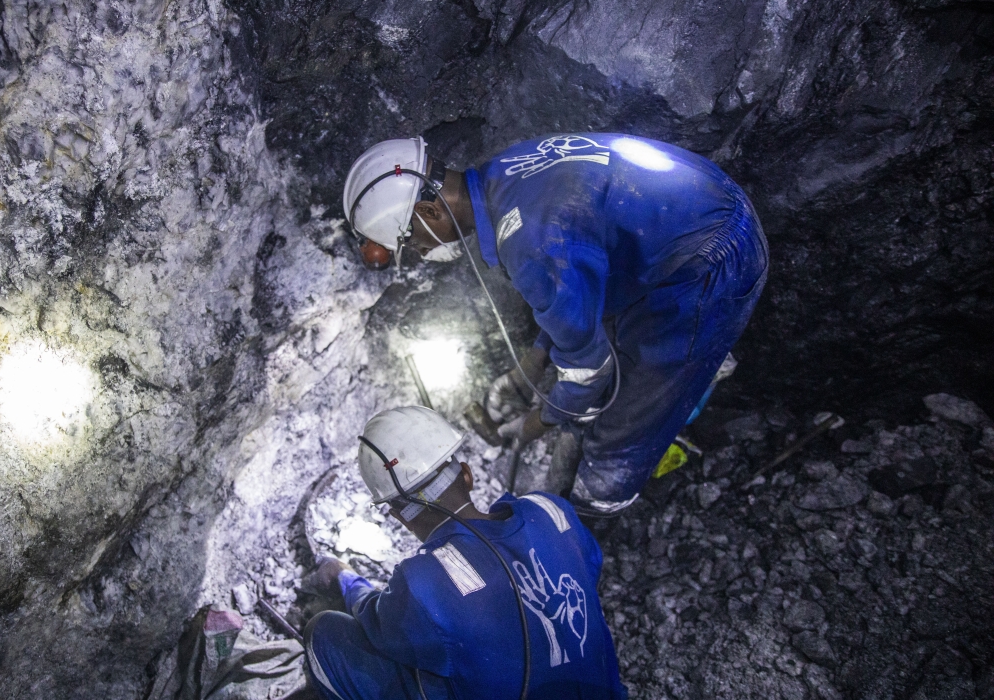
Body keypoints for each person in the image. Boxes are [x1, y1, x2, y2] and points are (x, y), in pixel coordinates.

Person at [342, 134, 768, 514]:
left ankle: (598, 504)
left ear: (430, 209)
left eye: (411, 243)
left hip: (710, 259)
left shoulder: (528, 241)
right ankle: (698, 358)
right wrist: (532, 362)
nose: (418, 252)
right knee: (613, 348)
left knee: (622, 426)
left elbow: (590, 369)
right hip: (696, 210)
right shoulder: (505, 173)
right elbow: (576, 280)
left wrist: (535, 424)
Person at [304, 406, 626, 700]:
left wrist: (346, 578)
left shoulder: (424, 582)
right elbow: (588, 570)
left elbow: (378, 626)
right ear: (468, 475)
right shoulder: (552, 511)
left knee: (326, 634)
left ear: (399, 516)